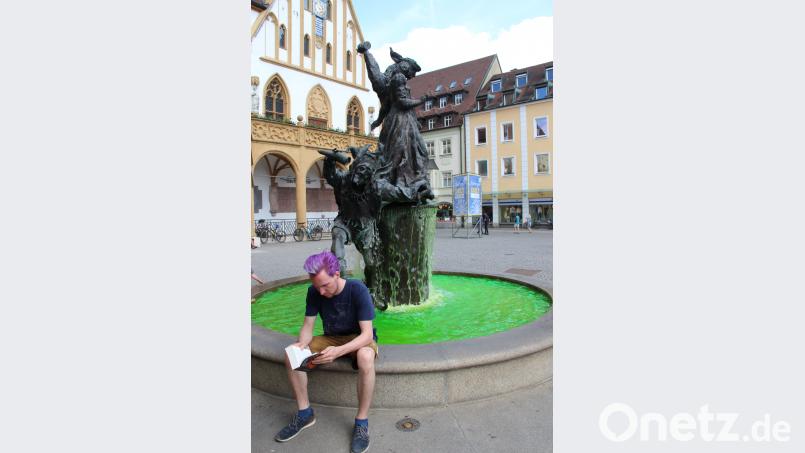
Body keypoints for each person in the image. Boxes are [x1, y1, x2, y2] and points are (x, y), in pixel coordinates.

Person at [274, 251, 378, 453]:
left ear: (337, 274)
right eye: (316, 286)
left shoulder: (357, 289)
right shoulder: (314, 292)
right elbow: (308, 326)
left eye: (325, 285)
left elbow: (367, 335)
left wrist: (338, 352)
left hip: (358, 338)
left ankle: (362, 422)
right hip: (332, 338)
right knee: (291, 353)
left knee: (365, 357)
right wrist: (302, 344)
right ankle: (305, 413)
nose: (320, 292)